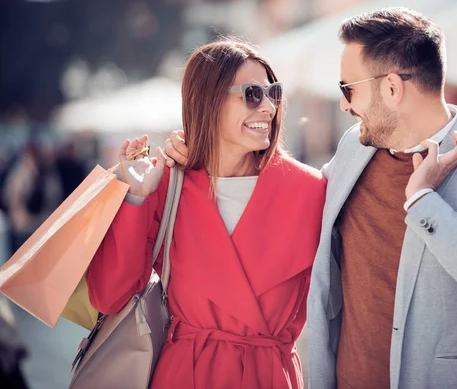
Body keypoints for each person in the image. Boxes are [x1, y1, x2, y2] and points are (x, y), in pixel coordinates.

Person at [164, 8, 457, 389]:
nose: (344, 105)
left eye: (348, 89)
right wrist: (200, 151)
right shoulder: (355, 149)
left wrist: (424, 202)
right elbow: (287, 197)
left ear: (391, 88)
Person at [86, 39, 326, 388]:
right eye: (252, 94)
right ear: (208, 101)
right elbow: (108, 296)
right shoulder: (166, 185)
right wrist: (136, 198)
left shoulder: (309, 188)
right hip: (187, 374)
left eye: (273, 93)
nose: (269, 107)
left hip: (270, 375)